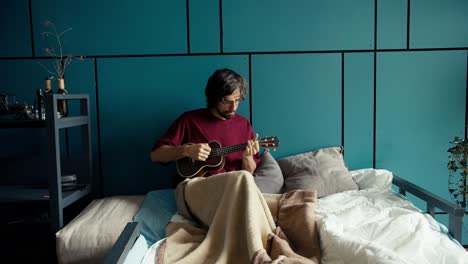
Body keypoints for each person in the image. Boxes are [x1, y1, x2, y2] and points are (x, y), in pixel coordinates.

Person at [150, 68, 261, 175]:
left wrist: (247, 157)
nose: (233, 108)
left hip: (231, 186)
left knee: (245, 180)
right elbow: (155, 155)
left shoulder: (244, 124)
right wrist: (186, 150)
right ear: (214, 98)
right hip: (197, 185)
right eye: (227, 101)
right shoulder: (189, 120)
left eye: (237, 100)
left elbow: (249, 173)